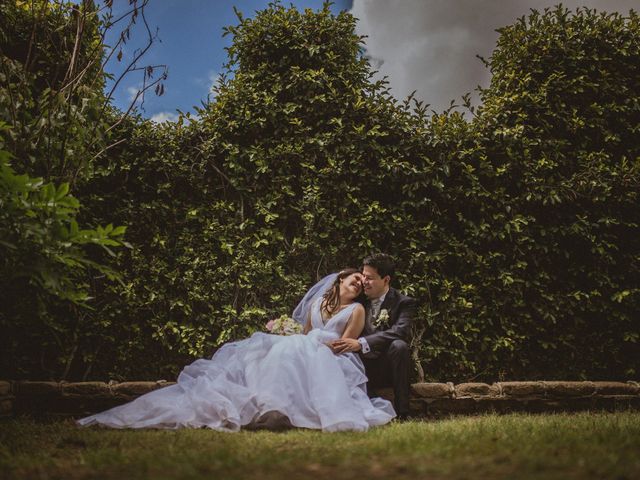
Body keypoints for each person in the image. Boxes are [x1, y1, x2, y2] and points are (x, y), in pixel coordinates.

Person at [77, 268, 395, 432]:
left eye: (360, 283)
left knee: (293, 352)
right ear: (339, 280)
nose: (357, 283)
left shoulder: (356, 311)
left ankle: (277, 411)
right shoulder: (316, 302)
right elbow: (306, 332)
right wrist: (292, 335)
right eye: (353, 279)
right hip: (304, 345)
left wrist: (309, 343)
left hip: (332, 355)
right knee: (270, 353)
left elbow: (342, 344)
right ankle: (266, 409)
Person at [330, 254, 416, 419]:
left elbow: (401, 331)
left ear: (386, 280)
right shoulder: (357, 298)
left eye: (369, 278)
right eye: (363, 276)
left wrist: (361, 343)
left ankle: (403, 412)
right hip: (358, 364)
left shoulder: (403, 302)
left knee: (399, 346)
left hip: (385, 367)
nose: (363, 281)